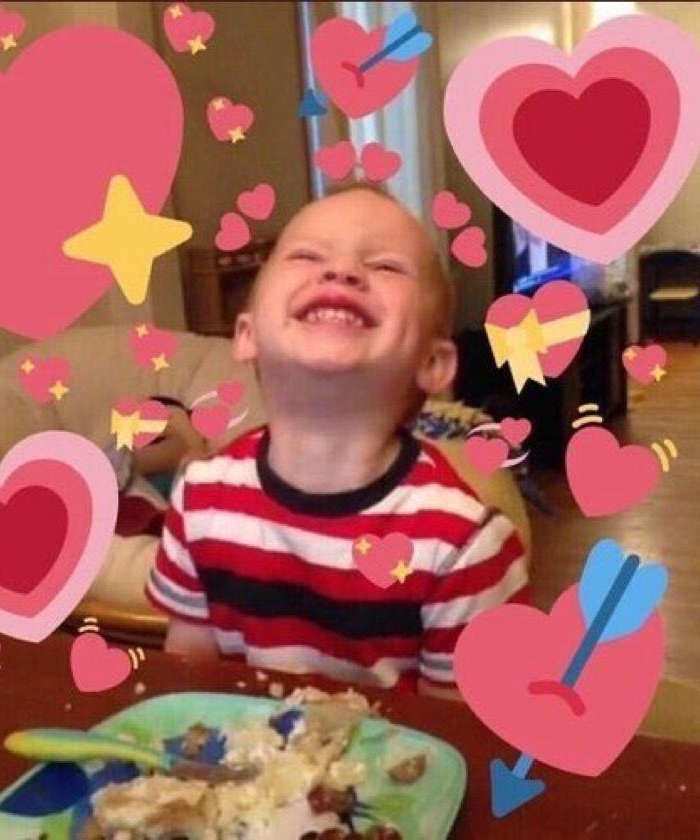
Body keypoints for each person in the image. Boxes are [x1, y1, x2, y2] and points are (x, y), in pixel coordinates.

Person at [147, 184, 528, 693]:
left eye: (386, 266)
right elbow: (186, 685)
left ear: (433, 363)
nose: (342, 271)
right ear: (246, 333)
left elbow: (461, 731)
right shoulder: (200, 497)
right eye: (307, 256)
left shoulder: (463, 543)